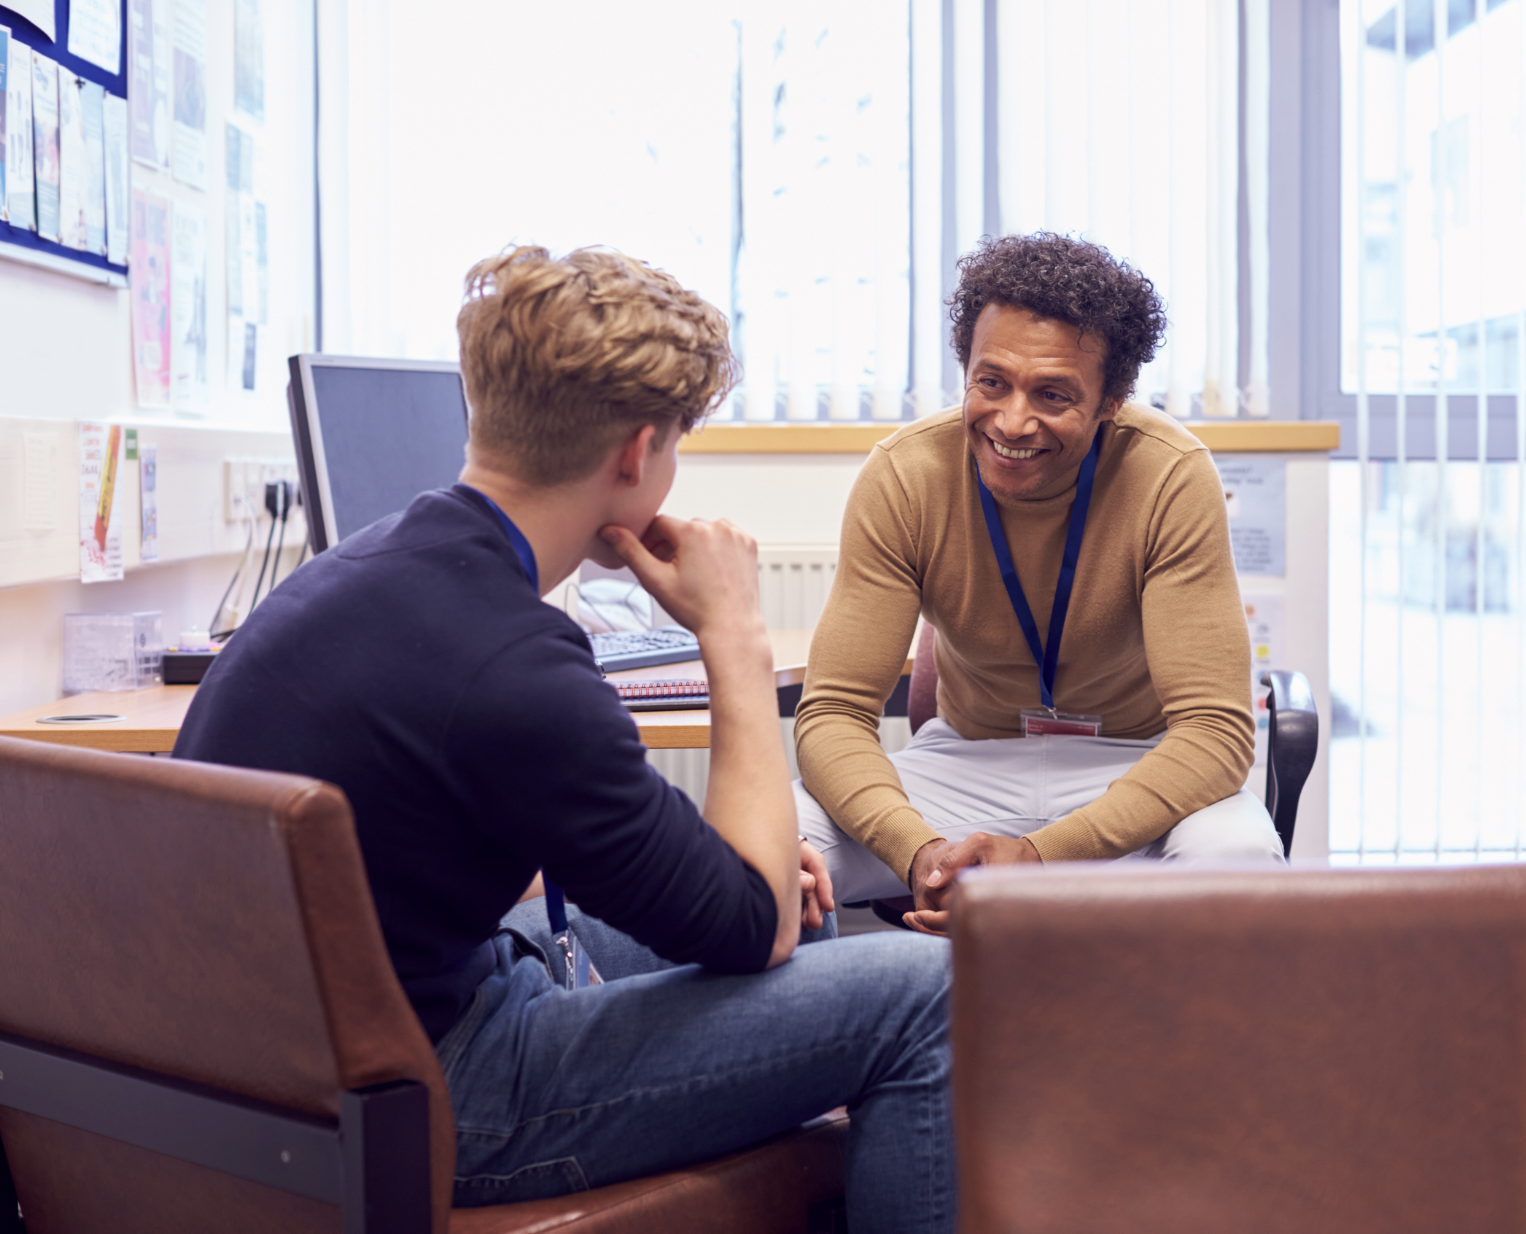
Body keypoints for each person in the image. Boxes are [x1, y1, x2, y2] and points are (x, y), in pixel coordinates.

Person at [173, 246, 954, 1232]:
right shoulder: (514, 665)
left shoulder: (369, 566)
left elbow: (712, 890)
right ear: (636, 455)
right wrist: (735, 637)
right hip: (426, 1097)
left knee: (804, 903)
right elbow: (749, 926)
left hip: (291, 1057)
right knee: (927, 990)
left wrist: (750, 885)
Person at [794, 232, 1284, 934]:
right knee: (770, 848)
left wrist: (1041, 856)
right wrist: (922, 854)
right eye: (991, 382)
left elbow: (1214, 733)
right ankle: (852, 1034)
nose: (1012, 421)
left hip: (1134, 765)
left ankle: (1169, 1048)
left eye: (1053, 394)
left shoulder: (1170, 475)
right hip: (967, 765)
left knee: (1239, 861)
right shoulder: (905, 476)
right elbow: (833, 714)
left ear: (1111, 399)